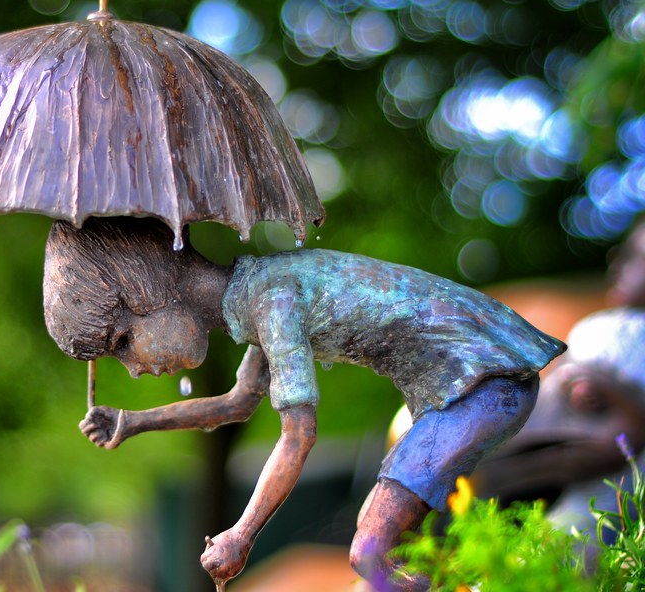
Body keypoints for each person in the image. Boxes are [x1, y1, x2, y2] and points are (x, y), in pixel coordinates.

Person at [42, 217, 566, 590]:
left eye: (122, 343)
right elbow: (236, 404)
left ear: (148, 295)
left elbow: (299, 436)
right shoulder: (258, 298)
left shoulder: (273, 300)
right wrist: (131, 422)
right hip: (465, 389)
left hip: (482, 382)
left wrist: (241, 535)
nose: (133, 368)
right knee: (397, 558)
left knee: (371, 553)